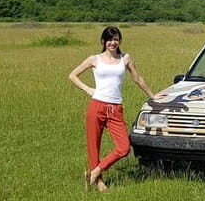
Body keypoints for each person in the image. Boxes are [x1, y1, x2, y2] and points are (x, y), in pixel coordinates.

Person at [68, 26, 165, 191]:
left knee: (124, 147)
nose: (112, 42)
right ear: (103, 41)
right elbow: (72, 75)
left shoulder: (125, 58)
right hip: (96, 105)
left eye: (116, 39)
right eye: (109, 39)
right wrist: (88, 89)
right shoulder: (94, 59)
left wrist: (152, 95)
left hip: (115, 108)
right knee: (93, 145)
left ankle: (96, 170)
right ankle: (99, 183)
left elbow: (137, 78)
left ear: (120, 40)